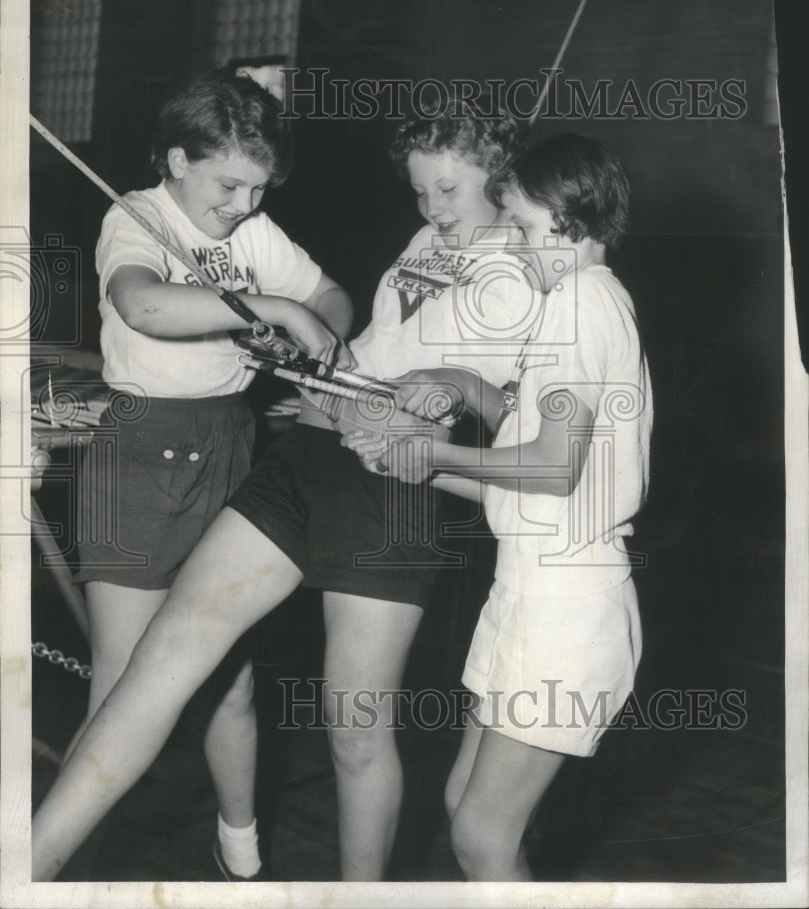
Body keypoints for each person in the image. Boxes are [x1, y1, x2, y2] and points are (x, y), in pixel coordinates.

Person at [32, 101, 538, 882]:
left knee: (354, 730)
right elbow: (365, 340)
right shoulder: (423, 240)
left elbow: (515, 416)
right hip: (305, 459)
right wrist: (326, 380)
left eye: (447, 192)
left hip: (387, 493)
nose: (431, 211)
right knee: (160, 657)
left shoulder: (534, 272)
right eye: (419, 194)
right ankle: (29, 866)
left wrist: (451, 399)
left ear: (500, 184)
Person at [60, 69, 354, 881]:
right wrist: (268, 311)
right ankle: (64, 875)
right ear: (178, 158)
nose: (244, 206)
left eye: (258, 190)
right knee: (123, 689)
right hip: (142, 449)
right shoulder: (137, 217)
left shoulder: (249, 231)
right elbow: (145, 306)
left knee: (229, 682)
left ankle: (243, 858)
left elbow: (330, 295)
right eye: (230, 184)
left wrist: (313, 335)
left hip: (230, 442)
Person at [344, 133, 652, 880]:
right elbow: (534, 477)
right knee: (464, 808)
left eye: (518, 224)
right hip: (527, 588)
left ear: (569, 216)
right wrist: (414, 462)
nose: (508, 243)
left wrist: (440, 451)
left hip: (566, 605)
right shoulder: (573, 304)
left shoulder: (580, 302)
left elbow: (550, 466)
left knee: (482, 834)